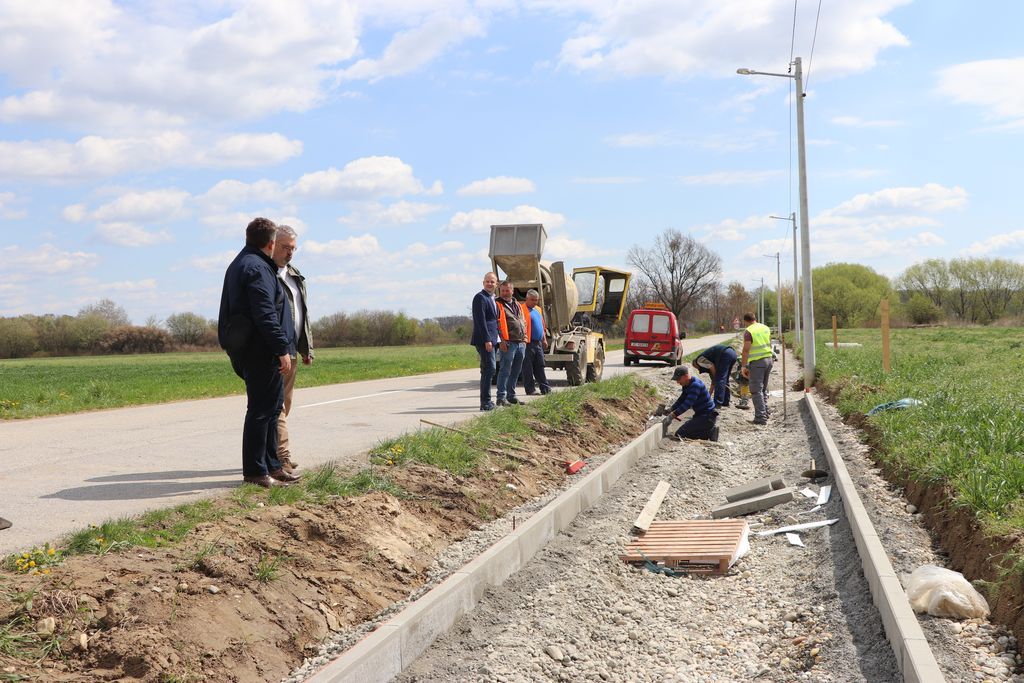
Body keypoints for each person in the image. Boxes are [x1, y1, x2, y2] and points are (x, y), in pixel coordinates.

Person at [218, 217, 301, 488]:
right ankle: (255, 471)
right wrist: (281, 349)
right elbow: (265, 313)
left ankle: (273, 466)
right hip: (259, 351)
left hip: (259, 349)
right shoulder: (256, 268)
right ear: (271, 243)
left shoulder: (249, 263)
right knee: (261, 411)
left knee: (272, 406)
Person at [271, 225, 313, 473]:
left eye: (293, 248)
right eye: (285, 247)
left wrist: (306, 347)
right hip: (276, 351)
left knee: (284, 407)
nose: (290, 253)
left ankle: (269, 451)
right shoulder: (267, 274)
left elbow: (303, 314)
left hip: (293, 352)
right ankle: (281, 457)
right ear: (271, 244)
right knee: (276, 408)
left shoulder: (295, 275)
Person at [470, 272, 500, 411]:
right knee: (490, 368)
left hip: (493, 339)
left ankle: (486, 402)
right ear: (483, 283)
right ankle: (486, 403)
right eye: (487, 281)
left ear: (496, 284)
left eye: (492, 282)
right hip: (484, 340)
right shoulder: (480, 298)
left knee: (488, 369)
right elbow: (480, 321)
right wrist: (487, 339)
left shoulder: (493, 298)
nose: (490, 284)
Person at [495, 280, 527, 406]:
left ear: (512, 291)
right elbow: (496, 324)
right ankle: (501, 397)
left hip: (520, 343)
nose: (504, 293)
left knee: (516, 371)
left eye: (507, 290)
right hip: (508, 343)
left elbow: (523, 321)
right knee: (505, 370)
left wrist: (524, 338)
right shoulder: (497, 304)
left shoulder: (517, 304)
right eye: (502, 290)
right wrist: (501, 341)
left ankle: (511, 396)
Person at [667, 365, 719, 441]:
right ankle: (707, 431)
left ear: (686, 376)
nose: (678, 382)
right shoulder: (687, 384)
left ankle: (710, 432)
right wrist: (671, 409)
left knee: (680, 434)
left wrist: (673, 415)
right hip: (701, 415)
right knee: (687, 430)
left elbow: (687, 404)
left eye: (678, 379)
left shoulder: (695, 385)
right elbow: (681, 400)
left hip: (707, 417)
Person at [740, 312, 773, 425]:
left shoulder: (749, 331)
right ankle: (765, 412)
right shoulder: (765, 328)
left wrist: (743, 366)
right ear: (755, 318)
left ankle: (760, 417)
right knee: (762, 389)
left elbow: (746, 349)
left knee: (755, 390)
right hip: (769, 360)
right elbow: (769, 343)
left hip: (758, 363)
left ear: (745, 321)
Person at [522, 289, 550, 395]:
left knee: (540, 366)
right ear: (527, 299)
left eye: (536, 300)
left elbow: (542, 326)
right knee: (527, 367)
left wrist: (544, 339)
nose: (534, 302)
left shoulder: (538, 309)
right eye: (532, 300)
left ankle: (545, 389)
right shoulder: (522, 309)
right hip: (527, 343)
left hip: (538, 343)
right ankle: (530, 389)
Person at [693, 343, 738, 407]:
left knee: (720, 379)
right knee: (724, 379)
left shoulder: (699, 360)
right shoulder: (710, 359)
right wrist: (708, 396)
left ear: (696, 364)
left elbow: (712, 367)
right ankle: (725, 402)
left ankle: (717, 404)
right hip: (732, 353)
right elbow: (713, 382)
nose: (698, 369)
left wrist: (716, 378)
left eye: (697, 368)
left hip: (725, 354)